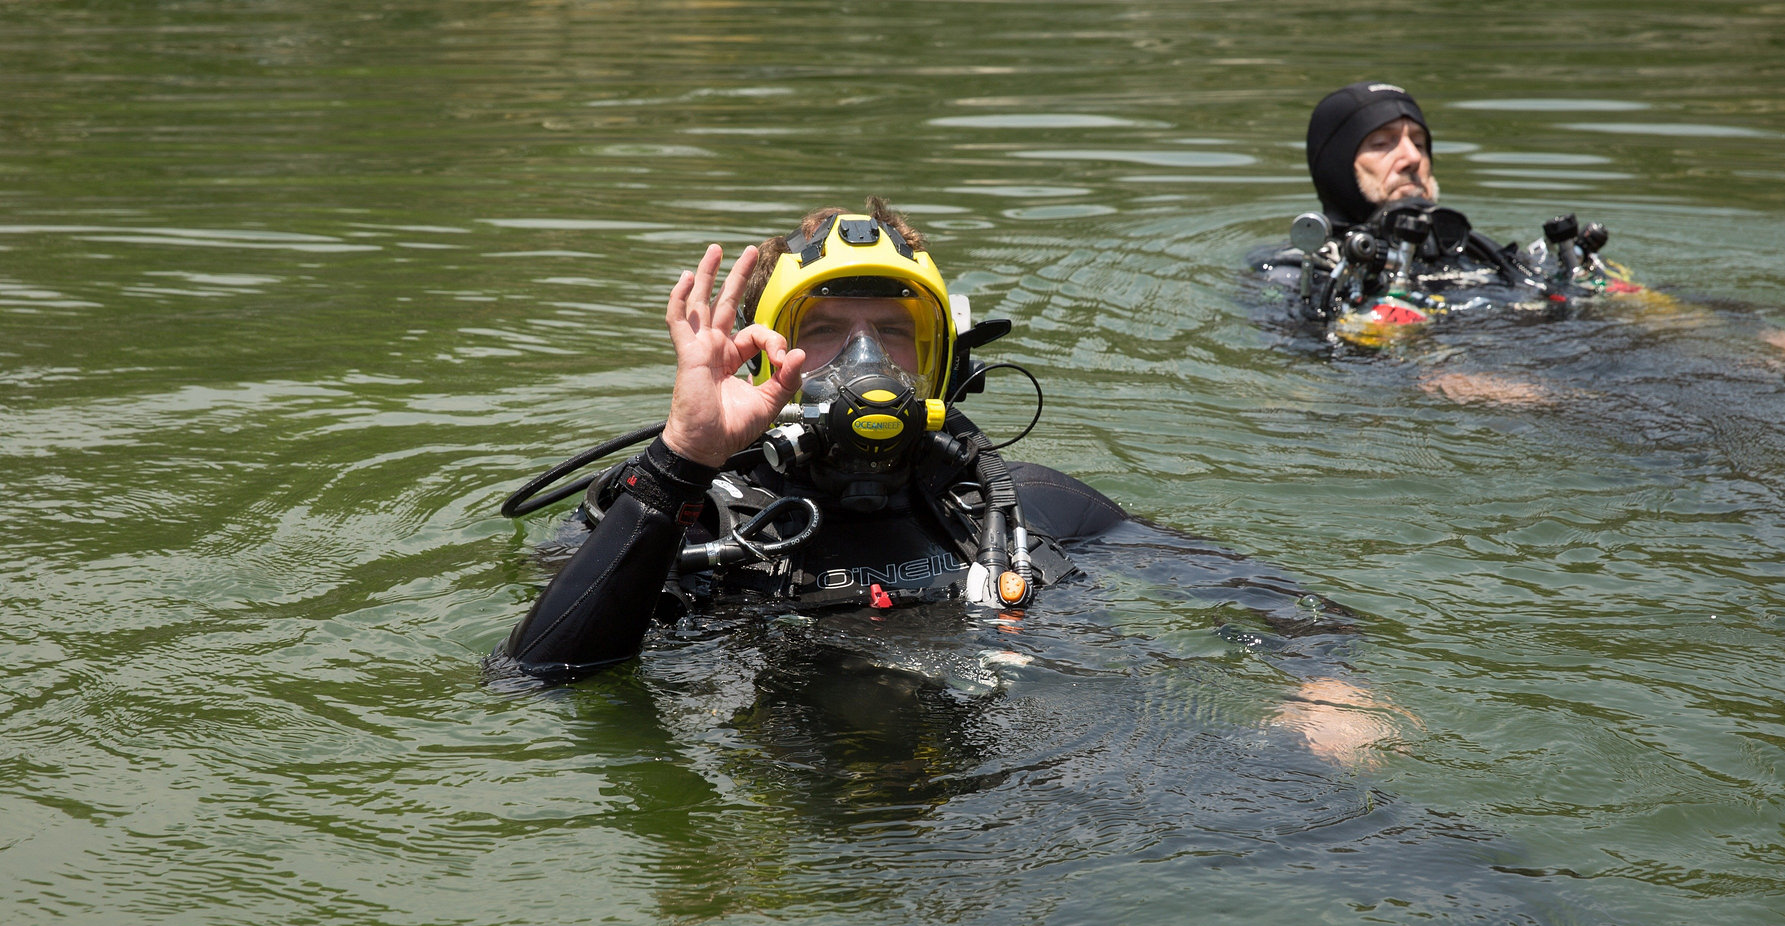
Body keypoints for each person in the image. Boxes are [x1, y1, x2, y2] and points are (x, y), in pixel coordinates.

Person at [494, 198, 1406, 766]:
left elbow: (1276, 599)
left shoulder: (1028, 506)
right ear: (757, 347)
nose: (863, 361)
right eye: (824, 330)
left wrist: (1325, 682)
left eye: (893, 333)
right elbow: (537, 675)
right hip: (830, 831)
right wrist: (683, 458)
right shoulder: (679, 519)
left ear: (941, 359)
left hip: (1064, 780)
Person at [1252, 81, 1644, 353]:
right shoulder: (1300, 271)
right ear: (1336, 165)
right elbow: (1304, 356)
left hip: (1578, 345)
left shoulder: (1478, 250)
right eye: (1382, 143)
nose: (1411, 157)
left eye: (1419, 142)